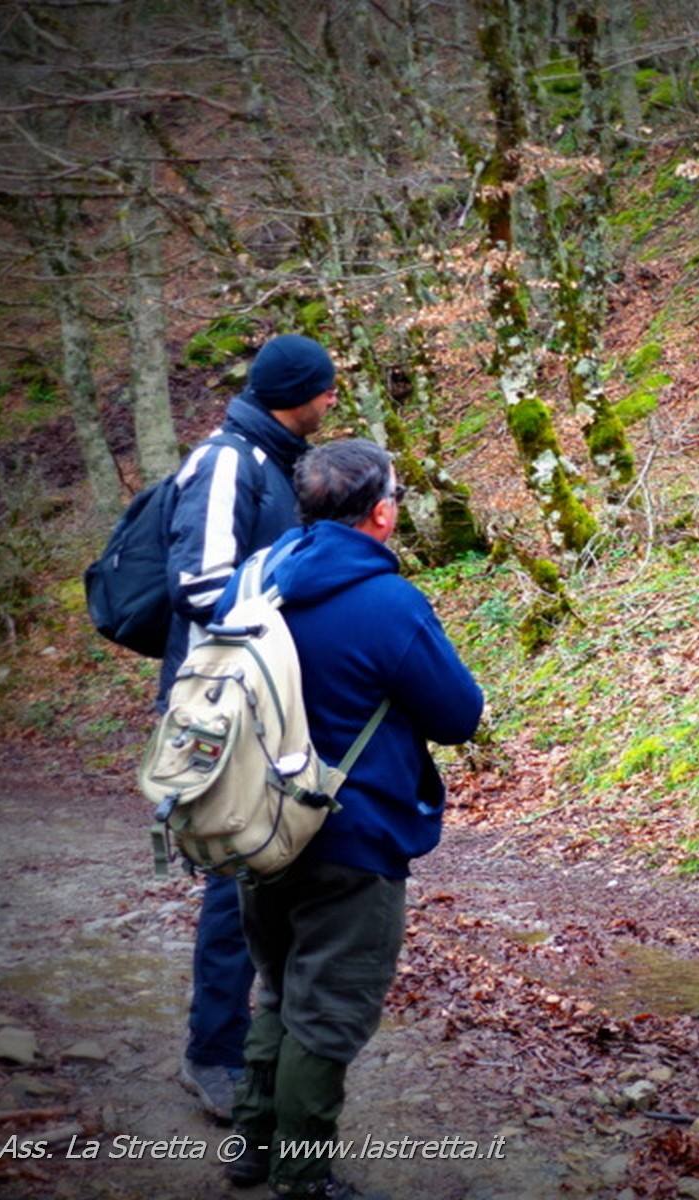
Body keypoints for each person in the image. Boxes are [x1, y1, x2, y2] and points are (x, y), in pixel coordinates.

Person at [215, 439, 484, 1199]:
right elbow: (458, 715)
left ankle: (250, 1147)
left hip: (256, 827)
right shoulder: (389, 603)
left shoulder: (255, 578)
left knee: (278, 989)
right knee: (328, 1012)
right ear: (382, 513)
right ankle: (302, 1177)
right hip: (352, 837)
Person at [166, 334, 339, 1121]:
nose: (332, 400)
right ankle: (212, 1053)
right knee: (236, 873)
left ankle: (266, 1041)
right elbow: (200, 585)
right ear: (297, 393)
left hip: (269, 701)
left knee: (277, 862)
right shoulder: (226, 461)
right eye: (326, 388)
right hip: (224, 706)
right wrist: (289, 603)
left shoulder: (279, 462)